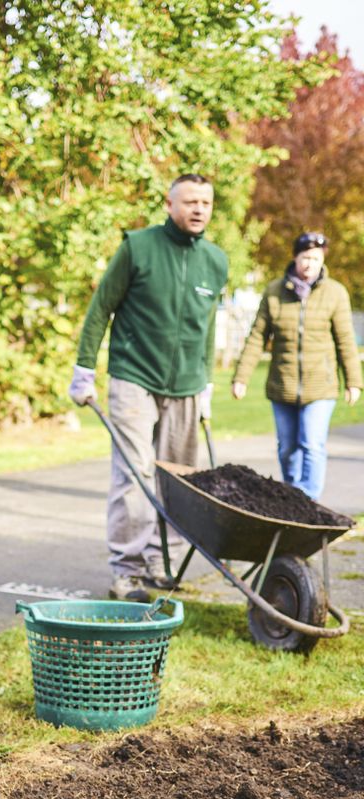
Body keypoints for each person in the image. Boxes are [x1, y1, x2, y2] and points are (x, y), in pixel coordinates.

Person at [69, 174, 228, 602]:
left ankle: (165, 561)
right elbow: (101, 307)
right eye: (190, 201)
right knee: (134, 474)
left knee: (182, 479)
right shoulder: (138, 247)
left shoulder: (216, 261)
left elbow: (207, 326)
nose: (198, 209)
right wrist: (84, 369)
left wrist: (207, 381)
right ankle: (128, 569)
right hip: (134, 377)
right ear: (169, 203)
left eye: (206, 203)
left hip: (188, 386)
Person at [232, 232, 362, 501]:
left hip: (321, 387)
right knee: (287, 448)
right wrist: (240, 378)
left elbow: (345, 340)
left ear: (322, 259)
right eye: (305, 258)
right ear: (295, 258)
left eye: (315, 258)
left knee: (312, 444)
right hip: (283, 385)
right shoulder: (274, 292)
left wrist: (353, 381)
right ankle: (292, 494)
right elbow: (257, 336)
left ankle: (308, 500)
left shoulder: (335, 293)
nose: (309, 264)